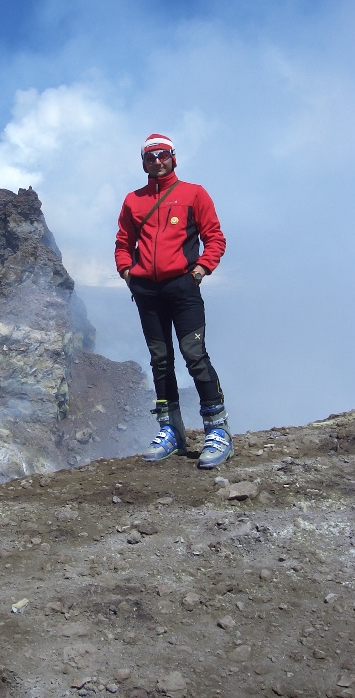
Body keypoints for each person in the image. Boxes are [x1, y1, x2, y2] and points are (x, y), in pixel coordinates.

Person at [114, 133, 233, 468]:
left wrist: (199, 271)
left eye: (162, 154)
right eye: (150, 157)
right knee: (160, 359)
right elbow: (123, 242)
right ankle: (171, 431)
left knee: (194, 355)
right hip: (147, 292)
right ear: (143, 162)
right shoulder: (133, 200)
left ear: (173, 157)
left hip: (183, 288)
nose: (157, 161)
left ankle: (217, 430)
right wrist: (127, 272)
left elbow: (215, 237)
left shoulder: (194, 194)